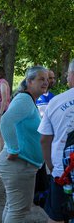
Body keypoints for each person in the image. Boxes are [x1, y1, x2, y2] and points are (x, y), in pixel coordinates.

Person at [0, 66, 48, 222]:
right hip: (19, 164)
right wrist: (13, 148)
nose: (45, 82)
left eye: (46, 79)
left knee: (13, 207)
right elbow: (6, 121)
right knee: (18, 210)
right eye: (41, 79)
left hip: (22, 164)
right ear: (29, 81)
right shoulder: (25, 99)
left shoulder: (28, 100)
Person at [38, 61, 74, 223]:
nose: (66, 78)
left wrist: (52, 167)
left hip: (62, 172)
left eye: (67, 74)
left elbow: (45, 139)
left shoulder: (57, 101)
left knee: (57, 218)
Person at [0, 65, 11, 152]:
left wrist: (0, 114)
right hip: (0, 112)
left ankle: (0, 161)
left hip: (2, 112)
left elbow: (4, 100)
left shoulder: (3, 83)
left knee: (1, 137)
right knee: (0, 137)